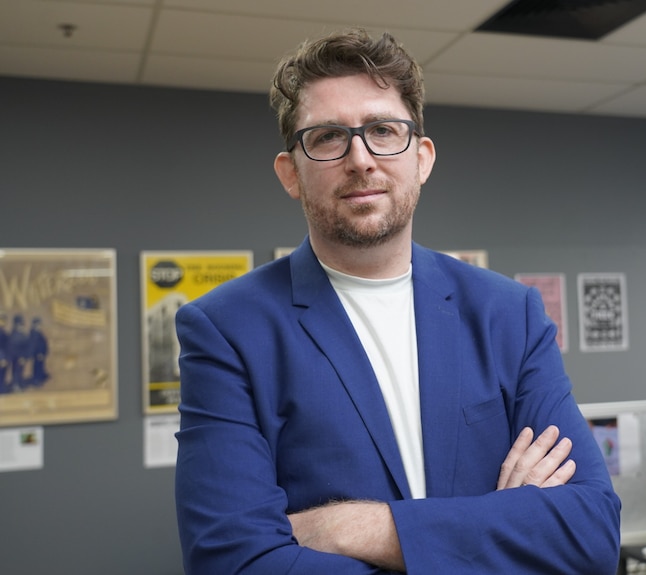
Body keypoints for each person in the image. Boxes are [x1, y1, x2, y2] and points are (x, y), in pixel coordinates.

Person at [174, 27, 621, 575]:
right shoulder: (226, 330)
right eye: (328, 137)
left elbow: (591, 532)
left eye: (384, 130)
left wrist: (354, 526)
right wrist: (500, 524)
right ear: (290, 173)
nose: (361, 159)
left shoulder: (509, 314)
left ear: (422, 158)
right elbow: (234, 562)